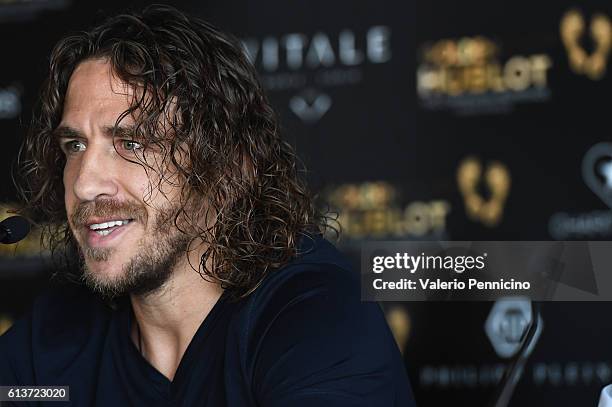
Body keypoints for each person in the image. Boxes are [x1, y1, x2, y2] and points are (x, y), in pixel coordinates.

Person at [0, 5, 415, 406]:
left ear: (226, 167)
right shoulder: (56, 333)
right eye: (75, 145)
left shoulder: (312, 311)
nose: (85, 183)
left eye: (131, 143)